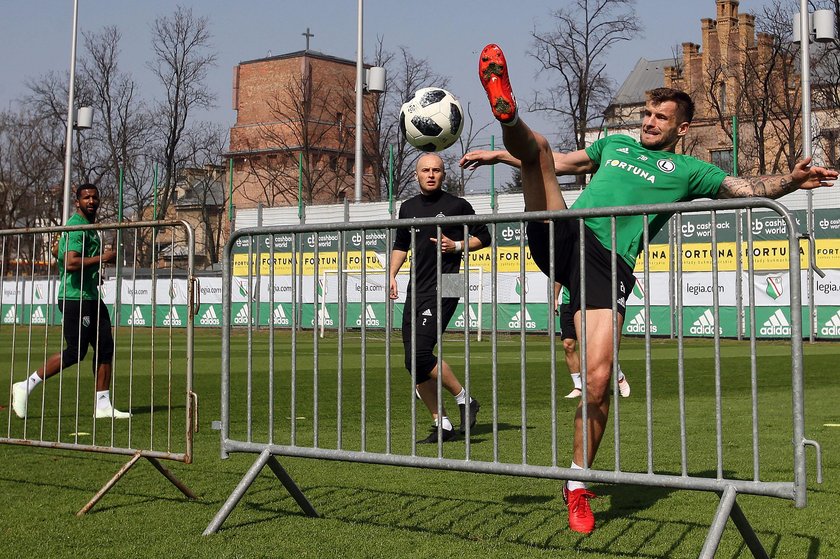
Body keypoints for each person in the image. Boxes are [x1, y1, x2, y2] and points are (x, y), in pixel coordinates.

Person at [462, 43, 837, 534]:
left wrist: (788, 182)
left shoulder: (688, 171)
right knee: (544, 153)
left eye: (660, 117)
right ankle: (505, 106)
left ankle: (577, 484)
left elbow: (744, 190)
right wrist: (499, 151)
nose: (649, 122)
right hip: (565, 232)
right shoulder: (614, 146)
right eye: (646, 114)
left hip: (608, 262)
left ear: (682, 128)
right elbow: (563, 163)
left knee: (598, 381)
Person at [389, 153, 492, 443]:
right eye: (425, 170)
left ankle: (464, 398)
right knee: (412, 361)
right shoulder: (407, 208)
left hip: (449, 282)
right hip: (417, 285)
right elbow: (400, 244)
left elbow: (484, 237)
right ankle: (442, 423)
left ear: (444, 175)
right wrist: (392, 275)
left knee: (421, 352)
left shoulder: (458, 206)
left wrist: (457, 245)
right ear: (416, 175)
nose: (431, 174)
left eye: (436, 170)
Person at [12, 183, 131, 420]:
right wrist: (102, 258)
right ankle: (26, 385)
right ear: (77, 202)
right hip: (75, 299)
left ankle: (103, 405)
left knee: (106, 347)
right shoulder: (77, 227)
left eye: (94, 197)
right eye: (86, 198)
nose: (91, 201)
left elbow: (58, 251)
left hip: (91, 296)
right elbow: (70, 263)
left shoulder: (85, 226)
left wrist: (93, 272)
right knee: (76, 352)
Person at [554, 283, 629, 399]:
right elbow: (558, 277)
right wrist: (554, 297)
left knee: (596, 347)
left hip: (591, 301)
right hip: (568, 303)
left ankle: (619, 377)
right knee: (568, 344)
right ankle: (579, 386)